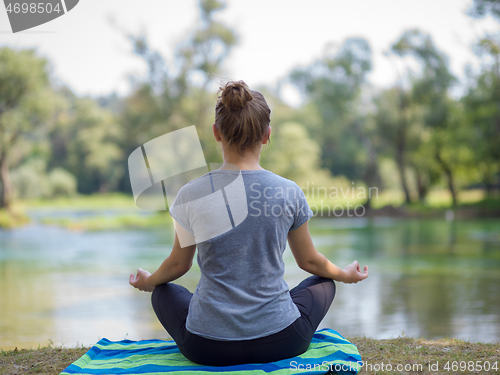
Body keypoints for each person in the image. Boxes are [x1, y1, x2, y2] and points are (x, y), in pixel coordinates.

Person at [129, 80, 369, 366]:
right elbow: (310, 263)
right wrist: (344, 273)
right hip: (282, 342)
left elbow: (178, 266)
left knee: (163, 291)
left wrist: (149, 281)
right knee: (324, 282)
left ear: (217, 133)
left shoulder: (190, 194)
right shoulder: (289, 191)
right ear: (267, 135)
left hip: (207, 348)